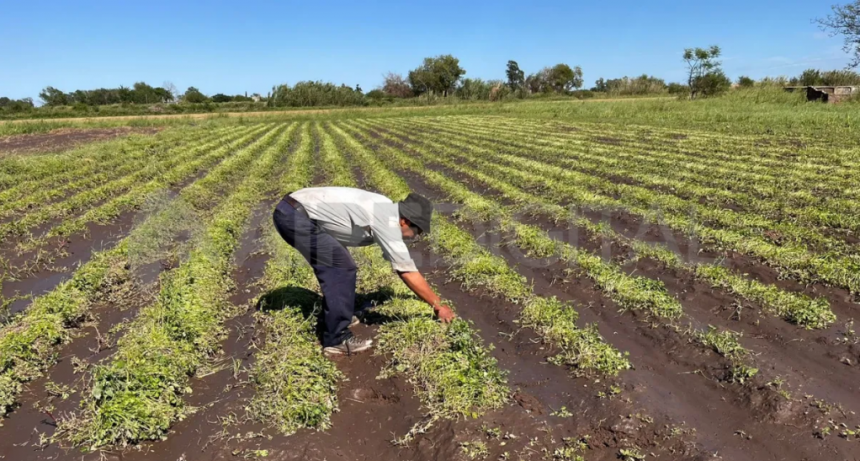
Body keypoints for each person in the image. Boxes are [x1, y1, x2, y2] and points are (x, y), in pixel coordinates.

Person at [272, 187, 456, 356]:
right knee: (341, 269)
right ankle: (336, 339)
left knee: (342, 264)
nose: (415, 236)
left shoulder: (385, 207)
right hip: (296, 217)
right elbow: (406, 270)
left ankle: (338, 315)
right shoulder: (388, 222)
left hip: (295, 210)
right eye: (417, 231)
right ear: (405, 221)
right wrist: (438, 305)